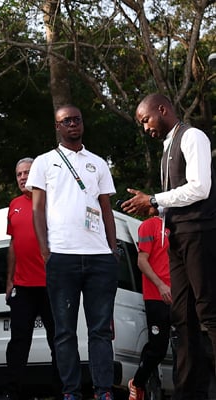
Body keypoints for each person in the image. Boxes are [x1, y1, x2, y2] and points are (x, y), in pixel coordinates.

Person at [121, 93, 216, 400]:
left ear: (162, 110)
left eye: (145, 119)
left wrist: (155, 199)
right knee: (183, 317)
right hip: (176, 236)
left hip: (199, 233)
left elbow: (200, 187)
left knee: (208, 312)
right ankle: (191, 392)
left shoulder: (193, 137)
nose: (145, 127)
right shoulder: (167, 147)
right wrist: (156, 208)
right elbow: (177, 195)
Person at [26, 104, 119, 400]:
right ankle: (71, 392)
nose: (72, 124)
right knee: (64, 332)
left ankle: (103, 390)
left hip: (99, 258)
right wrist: (46, 252)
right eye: (66, 121)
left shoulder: (98, 163)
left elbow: (107, 210)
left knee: (100, 330)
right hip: (61, 257)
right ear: (57, 127)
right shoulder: (44, 162)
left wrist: (113, 250)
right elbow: (37, 209)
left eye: (77, 119)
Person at [1, 157, 58, 400]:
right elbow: (13, 244)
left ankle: (64, 392)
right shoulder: (13, 204)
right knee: (18, 342)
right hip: (22, 286)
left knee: (58, 341)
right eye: (19, 174)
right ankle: (12, 393)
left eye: (27, 172)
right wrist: (9, 280)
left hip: (51, 285)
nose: (23, 177)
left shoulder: (52, 201)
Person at [127, 216, 171, 400]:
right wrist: (161, 285)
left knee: (186, 347)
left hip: (181, 296)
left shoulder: (179, 224)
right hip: (157, 296)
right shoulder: (148, 225)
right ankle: (136, 383)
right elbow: (141, 261)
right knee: (158, 349)